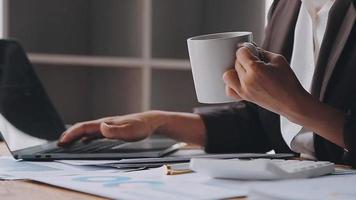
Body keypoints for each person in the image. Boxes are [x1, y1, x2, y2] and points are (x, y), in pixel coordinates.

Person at [58, 0, 356, 167]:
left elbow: (290, 111)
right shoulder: (286, 5)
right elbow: (263, 124)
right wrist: (157, 122)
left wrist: (294, 105)